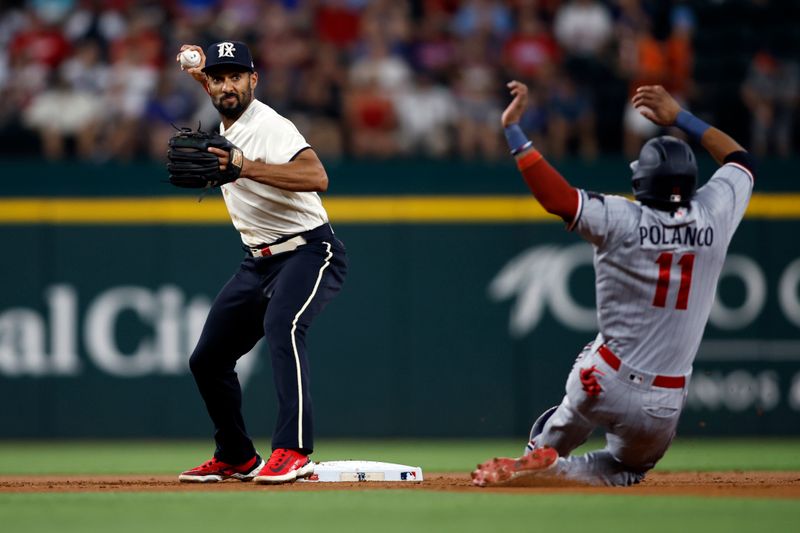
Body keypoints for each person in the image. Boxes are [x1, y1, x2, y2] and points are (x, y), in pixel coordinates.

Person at [472, 81, 754, 487]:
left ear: (642, 182)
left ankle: (540, 454)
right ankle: (560, 474)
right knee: (628, 469)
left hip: (601, 379)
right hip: (663, 402)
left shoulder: (623, 219)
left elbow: (559, 199)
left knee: (581, 388)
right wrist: (680, 118)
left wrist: (515, 132)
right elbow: (742, 160)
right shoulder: (715, 215)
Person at [174, 41, 347, 485]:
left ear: (255, 79)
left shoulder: (269, 125)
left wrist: (244, 166)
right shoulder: (228, 118)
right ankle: (235, 454)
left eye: (237, 75)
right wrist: (201, 74)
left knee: (283, 326)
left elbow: (317, 177)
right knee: (208, 359)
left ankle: (293, 450)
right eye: (219, 77)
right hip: (258, 262)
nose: (227, 85)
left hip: (309, 250)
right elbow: (223, 96)